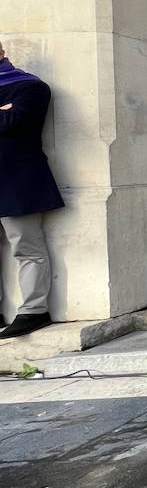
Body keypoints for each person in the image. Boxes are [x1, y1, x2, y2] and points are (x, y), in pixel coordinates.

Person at [0, 41, 64, 339]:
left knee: (26, 246)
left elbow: (15, 121)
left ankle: (34, 311)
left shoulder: (30, 86)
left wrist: (6, 114)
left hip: (16, 180)